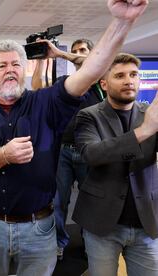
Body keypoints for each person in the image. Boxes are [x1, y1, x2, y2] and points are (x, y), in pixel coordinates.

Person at [0, 0, 148, 275]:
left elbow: (91, 71)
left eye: (15, 64)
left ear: (25, 70)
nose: (10, 69)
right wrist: (4, 155)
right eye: (2, 66)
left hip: (39, 230)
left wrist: (122, 21)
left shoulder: (46, 102)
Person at [73, 53, 158, 276]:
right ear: (104, 83)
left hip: (146, 222)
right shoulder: (88, 116)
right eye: (120, 75)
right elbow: (93, 154)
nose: (129, 80)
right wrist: (145, 131)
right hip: (102, 223)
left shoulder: (150, 115)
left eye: (133, 75)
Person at [51, 38, 107, 260]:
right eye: (74, 51)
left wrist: (62, 54)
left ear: (92, 53)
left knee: (90, 201)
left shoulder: (99, 80)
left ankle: (89, 242)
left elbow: (93, 63)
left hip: (89, 152)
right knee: (58, 202)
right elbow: (37, 86)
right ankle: (58, 243)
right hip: (63, 151)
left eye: (83, 50)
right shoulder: (66, 82)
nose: (78, 54)